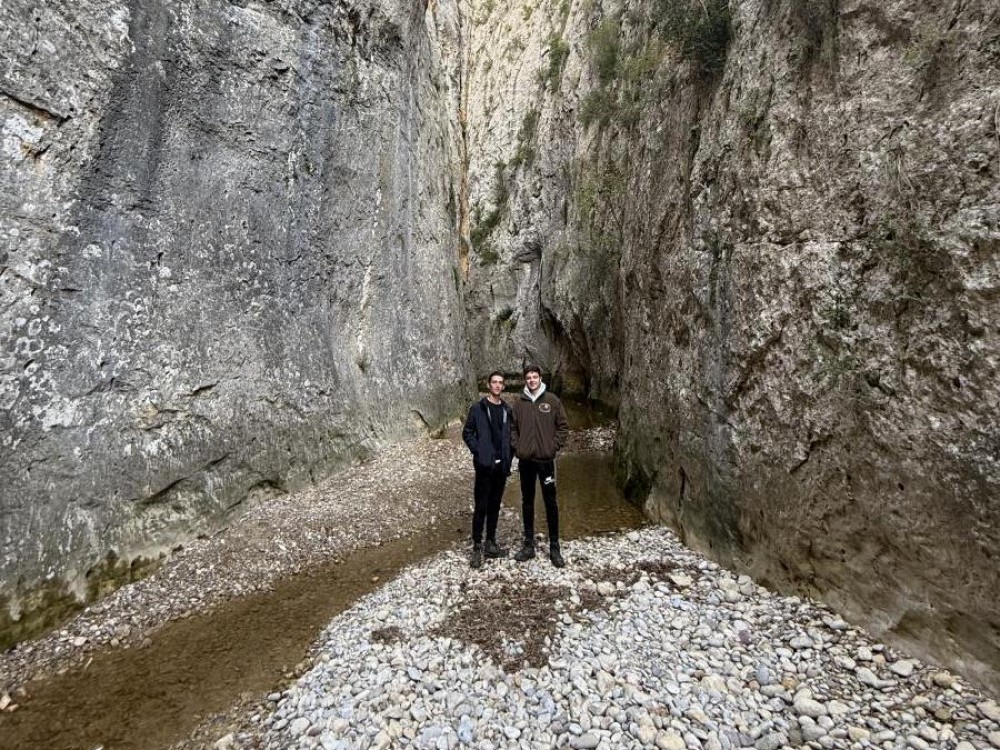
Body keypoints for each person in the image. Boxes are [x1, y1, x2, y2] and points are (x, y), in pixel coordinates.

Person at [511, 364, 569, 567]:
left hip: (545, 461)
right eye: (528, 377)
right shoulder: (519, 403)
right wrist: (518, 447)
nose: (532, 380)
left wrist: (552, 447)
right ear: (525, 380)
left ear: (540, 378)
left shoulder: (552, 400)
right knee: (527, 501)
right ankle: (529, 545)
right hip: (526, 461)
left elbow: (563, 427)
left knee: (550, 501)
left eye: (534, 377)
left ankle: (554, 547)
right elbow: (512, 428)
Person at [462, 371, 513, 569]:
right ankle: (477, 546)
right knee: (481, 506)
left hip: (501, 466)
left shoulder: (507, 410)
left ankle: (490, 542)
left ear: (503, 386)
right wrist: (479, 451)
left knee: (494, 505)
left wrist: (509, 455)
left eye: (500, 382)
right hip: (484, 465)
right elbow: (467, 432)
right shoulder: (478, 408)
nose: (497, 385)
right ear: (489, 385)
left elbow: (511, 435)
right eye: (494, 382)